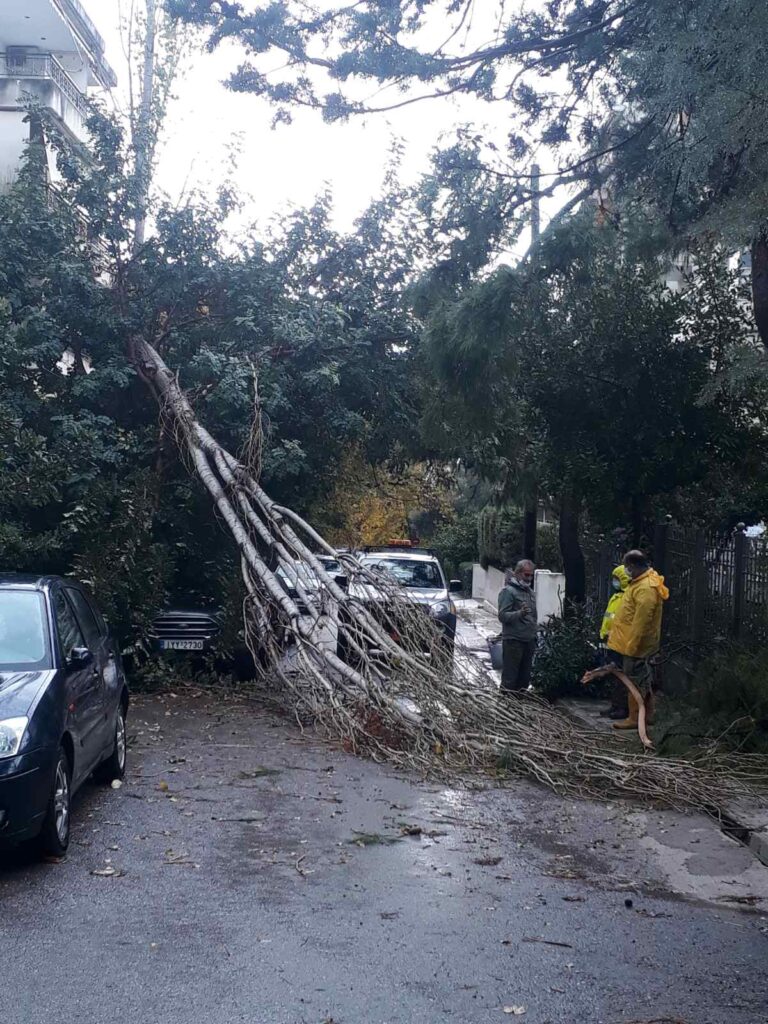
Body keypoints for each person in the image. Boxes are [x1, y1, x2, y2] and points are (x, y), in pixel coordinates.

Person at [606, 549, 669, 730]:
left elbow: (641, 622)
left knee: (634, 682)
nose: (625, 571)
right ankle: (645, 715)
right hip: (633, 643)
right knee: (641, 682)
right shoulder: (640, 583)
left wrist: (631, 647)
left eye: (627, 567)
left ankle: (635, 717)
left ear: (633, 566)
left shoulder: (646, 588)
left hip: (637, 646)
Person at [497, 559, 537, 692]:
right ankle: (505, 708)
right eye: (527, 575)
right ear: (517, 573)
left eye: (531, 575)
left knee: (524, 680)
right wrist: (519, 613)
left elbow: (532, 617)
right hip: (514, 642)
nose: (529, 578)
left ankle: (519, 709)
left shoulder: (530, 592)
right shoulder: (508, 592)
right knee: (510, 680)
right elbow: (502, 616)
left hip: (528, 641)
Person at [598, 564, 630, 719]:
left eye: (617, 579)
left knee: (620, 676)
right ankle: (615, 705)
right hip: (611, 641)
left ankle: (621, 708)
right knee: (614, 675)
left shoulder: (627, 597)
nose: (614, 582)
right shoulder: (617, 596)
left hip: (620, 642)